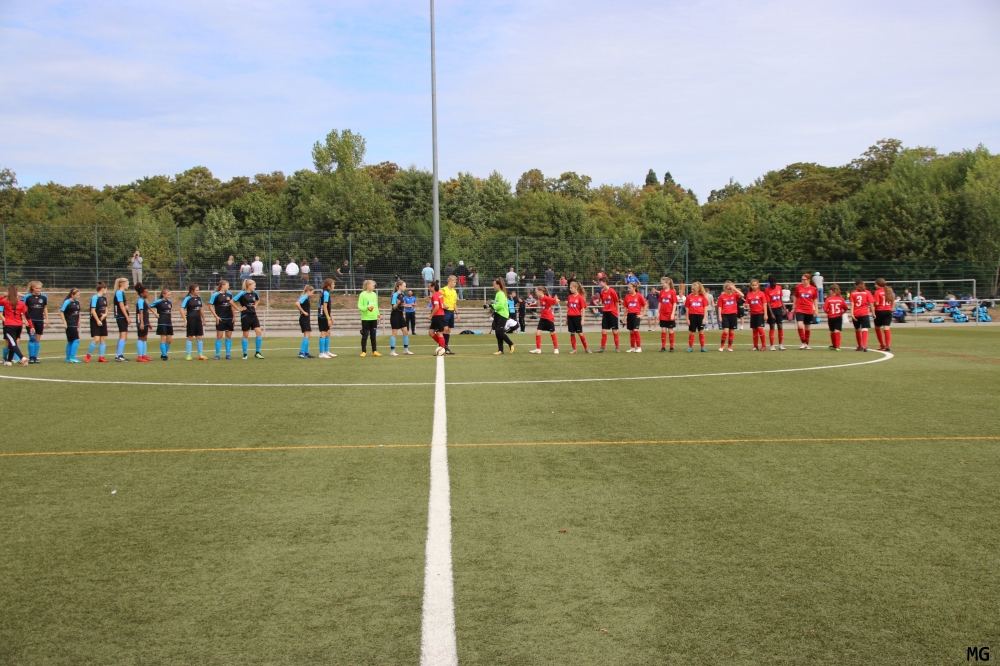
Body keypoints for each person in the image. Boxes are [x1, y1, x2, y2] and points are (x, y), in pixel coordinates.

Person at [233, 279, 264, 360]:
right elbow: (231, 301)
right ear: (248, 285)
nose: (255, 287)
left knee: (259, 332)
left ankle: (257, 352)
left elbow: (258, 299)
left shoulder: (255, 293)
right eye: (254, 285)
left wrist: (255, 306)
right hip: (245, 316)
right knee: (246, 335)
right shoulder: (242, 293)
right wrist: (239, 309)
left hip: (253, 315)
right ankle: (245, 354)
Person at [0, 285, 30, 367]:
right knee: (10, 342)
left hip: (12, 324)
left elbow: (27, 298)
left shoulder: (13, 301)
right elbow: (0, 313)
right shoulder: (8, 302)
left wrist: (4, 295)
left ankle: (19, 358)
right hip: (13, 324)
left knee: (13, 342)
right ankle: (7, 359)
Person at [180, 284, 209, 361]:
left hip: (198, 319)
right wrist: (185, 320)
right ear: (192, 291)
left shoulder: (199, 298)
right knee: (190, 337)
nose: (198, 291)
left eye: (198, 290)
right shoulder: (187, 298)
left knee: (199, 337)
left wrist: (204, 319)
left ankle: (200, 355)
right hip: (191, 319)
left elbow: (201, 309)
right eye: (197, 290)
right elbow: (181, 309)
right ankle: (188, 355)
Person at [23, 281, 48, 364]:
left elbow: (45, 308)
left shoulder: (44, 296)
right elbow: (24, 309)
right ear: (33, 288)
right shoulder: (28, 297)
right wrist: (25, 319)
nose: (38, 290)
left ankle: (35, 357)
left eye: (40, 288)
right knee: (32, 338)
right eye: (37, 288)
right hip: (31, 321)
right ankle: (31, 357)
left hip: (40, 320)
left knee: (37, 339)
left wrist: (47, 318)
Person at [208, 280, 234, 360]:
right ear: (223, 285)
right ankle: (217, 354)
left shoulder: (230, 294)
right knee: (219, 336)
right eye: (227, 285)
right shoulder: (216, 294)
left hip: (229, 318)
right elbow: (210, 306)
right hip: (220, 318)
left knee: (228, 336)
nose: (228, 287)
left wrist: (234, 316)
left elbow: (232, 306)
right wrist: (216, 316)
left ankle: (228, 354)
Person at [792, 273, 819, 349]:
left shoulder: (813, 289)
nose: (803, 281)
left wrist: (816, 309)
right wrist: (794, 307)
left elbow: (815, 299)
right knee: (800, 325)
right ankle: (803, 342)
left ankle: (806, 344)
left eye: (804, 279)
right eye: (802, 279)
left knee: (807, 328)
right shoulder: (798, 287)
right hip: (799, 309)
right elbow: (795, 297)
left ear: (809, 280)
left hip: (809, 309)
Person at [530, 286, 559, 354]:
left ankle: (556, 349)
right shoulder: (540, 298)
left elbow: (557, 300)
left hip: (549, 318)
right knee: (537, 332)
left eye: (536, 292)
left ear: (540, 291)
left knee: (552, 332)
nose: (536, 293)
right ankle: (538, 349)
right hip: (543, 318)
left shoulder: (547, 298)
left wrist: (551, 306)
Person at [595, 276, 621, 353]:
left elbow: (616, 302)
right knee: (603, 330)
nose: (600, 284)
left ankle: (617, 347)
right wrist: (600, 304)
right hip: (605, 312)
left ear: (605, 282)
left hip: (612, 313)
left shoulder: (612, 291)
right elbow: (603, 302)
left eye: (601, 282)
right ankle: (602, 348)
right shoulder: (602, 292)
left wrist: (616, 312)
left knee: (614, 330)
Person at [489, 278, 515, 355]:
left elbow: (500, 305)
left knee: (499, 331)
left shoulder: (501, 294)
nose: (493, 286)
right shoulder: (498, 293)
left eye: (494, 285)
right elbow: (497, 303)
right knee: (497, 332)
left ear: (498, 285)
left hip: (502, 314)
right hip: (498, 314)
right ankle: (500, 350)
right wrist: (490, 305)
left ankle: (511, 344)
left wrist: (492, 306)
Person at [86, 281, 109, 363]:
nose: (106, 291)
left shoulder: (104, 298)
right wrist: (98, 320)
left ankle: (101, 357)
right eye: (106, 289)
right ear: (102, 289)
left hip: (103, 320)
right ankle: (88, 356)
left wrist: (105, 314)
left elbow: (106, 308)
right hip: (95, 320)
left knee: (103, 339)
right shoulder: (95, 297)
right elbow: (92, 310)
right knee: (96, 339)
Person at [716, 281, 743, 352]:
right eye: (728, 289)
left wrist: (735, 288)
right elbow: (720, 307)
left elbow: (742, 295)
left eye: (730, 289)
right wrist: (720, 316)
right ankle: (722, 346)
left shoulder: (734, 295)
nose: (729, 290)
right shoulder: (722, 296)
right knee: (725, 331)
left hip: (733, 315)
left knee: (731, 331)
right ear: (725, 289)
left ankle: (730, 346)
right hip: (725, 315)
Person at [389, 280, 413, 356]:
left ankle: (406, 350)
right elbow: (394, 307)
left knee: (406, 332)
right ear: (399, 286)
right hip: (395, 315)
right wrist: (398, 303)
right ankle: (392, 351)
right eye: (404, 286)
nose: (405, 287)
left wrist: (407, 305)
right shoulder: (395, 295)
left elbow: (402, 305)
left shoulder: (402, 294)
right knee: (394, 333)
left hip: (401, 315)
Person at [849, 279, 874, 352]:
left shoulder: (853, 293)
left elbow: (852, 304)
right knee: (865, 329)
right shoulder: (867, 292)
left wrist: (852, 314)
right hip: (864, 313)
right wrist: (873, 313)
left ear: (855, 285)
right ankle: (864, 345)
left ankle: (860, 346)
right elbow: (871, 304)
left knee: (857, 329)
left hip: (856, 313)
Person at [358, 279, 381, 357]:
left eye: (374, 285)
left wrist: (378, 315)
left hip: (373, 317)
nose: (373, 286)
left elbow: (376, 305)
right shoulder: (362, 294)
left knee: (373, 335)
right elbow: (360, 306)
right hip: (366, 318)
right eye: (372, 285)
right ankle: (364, 351)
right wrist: (366, 308)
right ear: (367, 285)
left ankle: (374, 351)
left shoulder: (374, 294)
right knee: (365, 335)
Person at [566, 280, 590, 353]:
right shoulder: (569, 297)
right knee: (572, 333)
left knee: (580, 333)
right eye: (570, 288)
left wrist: (582, 319)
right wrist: (567, 318)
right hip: (570, 317)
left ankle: (586, 348)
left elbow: (583, 309)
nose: (570, 289)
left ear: (576, 288)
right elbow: (568, 308)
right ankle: (574, 349)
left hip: (577, 317)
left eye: (571, 288)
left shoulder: (580, 297)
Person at [685, 282, 710, 353]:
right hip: (692, 316)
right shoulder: (689, 297)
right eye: (692, 289)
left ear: (698, 289)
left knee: (701, 331)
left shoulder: (703, 297)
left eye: (694, 289)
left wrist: (704, 318)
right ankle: (690, 347)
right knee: (692, 332)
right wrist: (687, 318)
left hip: (700, 316)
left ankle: (702, 347)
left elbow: (705, 308)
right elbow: (687, 309)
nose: (692, 290)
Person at [150, 287, 174, 361]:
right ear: (163, 294)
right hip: (162, 322)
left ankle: (164, 354)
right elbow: (149, 306)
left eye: (170, 295)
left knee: (169, 340)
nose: (169, 296)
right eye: (168, 295)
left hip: (169, 322)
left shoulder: (170, 302)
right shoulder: (159, 301)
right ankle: (164, 356)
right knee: (163, 338)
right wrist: (155, 313)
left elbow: (170, 311)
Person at [59, 288, 83, 362]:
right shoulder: (67, 302)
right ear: (72, 295)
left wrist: (79, 321)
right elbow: (61, 312)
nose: (78, 296)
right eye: (77, 295)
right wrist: (64, 322)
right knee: (76, 340)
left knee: (71, 341)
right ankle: (72, 357)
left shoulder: (77, 302)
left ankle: (68, 358)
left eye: (79, 295)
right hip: (70, 323)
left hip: (74, 323)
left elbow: (78, 312)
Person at [623, 282, 647, 352]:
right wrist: (625, 318)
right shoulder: (627, 296)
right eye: (628, 288)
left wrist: (642, 314)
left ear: (634, 288)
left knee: (636, 330)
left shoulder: (639, 296)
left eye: (630, 288)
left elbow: (645, 305)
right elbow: (625, 307)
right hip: (629, 315)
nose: (628, 289)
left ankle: (639, 347)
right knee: (631, 332)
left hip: (636, 315)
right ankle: (632, 348)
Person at [744, 279, 768, 351]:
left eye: (755, 285)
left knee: (760, 329)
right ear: (751, 286)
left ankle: (763, 345)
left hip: (760, 313)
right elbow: (746, 304)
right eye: (753, 285)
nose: (754, 286)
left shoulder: (761, 293)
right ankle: (755, 346)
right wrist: (746, 305)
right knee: (754, 331)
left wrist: (765, 314)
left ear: (758, 285)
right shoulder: (749, 294)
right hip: (753, 314)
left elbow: (764, 304)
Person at [873, 278, 895, 352]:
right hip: (888, 311)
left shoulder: (877, 292)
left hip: (879, 311)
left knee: (877, 328)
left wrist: (872, 305)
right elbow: (893, 301)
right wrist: (891, 309)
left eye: (876, 284)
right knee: (886, 328)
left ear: (878, 284)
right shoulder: (888, 290)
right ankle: (887, 346)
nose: (875, 285)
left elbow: (876, 303)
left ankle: (882, 344)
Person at [764, 274, 786, 351]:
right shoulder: (767, 290)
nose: (773, 285)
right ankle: (772, 345)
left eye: (775, 283)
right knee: (772, 327)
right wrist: (771, 314)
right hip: (772, 309)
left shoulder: (779, 287)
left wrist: (784, 307)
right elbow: (768, 303)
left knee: (780, 326)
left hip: (779, 309)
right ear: (770, 283)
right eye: (772, 283)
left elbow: (780, 298)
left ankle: (780, 345)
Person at [658, 277, 679, 352]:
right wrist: (658, 312)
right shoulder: (661, 292)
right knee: (663, 330)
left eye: (663, 283)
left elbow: (674, 303)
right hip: (662, 314)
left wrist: (673, 313)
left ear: (667, 283)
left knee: (670, 330)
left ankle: (671, 347)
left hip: (670, 314)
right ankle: (663, 347)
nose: (662, 284)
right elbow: (660, 302)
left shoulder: (672, 292)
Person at [111, 277, 130, 362]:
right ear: (122, 284)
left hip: (121, 316)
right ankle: (119, 355)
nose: (128, 285)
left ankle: (118, 355)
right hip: (121, 316)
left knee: (123, 336)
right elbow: (121, 306)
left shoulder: (121, 293)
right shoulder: (119, 292)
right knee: (123, 336)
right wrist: (127, 317)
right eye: (127, 283)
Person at [823, 284, 847, 351]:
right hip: (838, 316)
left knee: (832, 331)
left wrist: (828, 313)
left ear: (831, 291)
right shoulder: (841, 299)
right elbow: (845, 308)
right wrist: (841, 313)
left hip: (831, 317)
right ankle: (837, 346)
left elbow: (825, 309)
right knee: (837, 330)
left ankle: (834, 345)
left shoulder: (828, 299)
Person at [440, 275, 460, 354]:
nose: (455, 284)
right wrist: (444, 305)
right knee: (444, 329)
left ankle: (446, 346)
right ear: (450, 281)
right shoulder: (443, 290)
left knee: (448, 330)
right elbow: (439, 300)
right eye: (454, 282)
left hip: (451, 312)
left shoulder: (454, 291)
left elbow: (454, 303)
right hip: (445, 311)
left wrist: (457, 313)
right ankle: (441, 346)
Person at [427, 280, 447, 356]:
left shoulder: (435, 295)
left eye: (429, 287)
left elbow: (437, 307)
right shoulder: (439, 294)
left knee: (439, 333)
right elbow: (440, 303)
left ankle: (442, 349)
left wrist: (431, 315)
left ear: (433, 287)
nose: (428, 288)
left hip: (438, 316)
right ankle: (442, 346)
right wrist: (432, 298)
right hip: (439, 316)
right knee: (431, 333)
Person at [295, 285, 315, 359]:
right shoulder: (304, 297)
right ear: (308, 291)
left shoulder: (306, 297)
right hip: (304, 318)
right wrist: (303, 312)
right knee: (307, 335)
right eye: (312, 292)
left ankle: (306, 353)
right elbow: (297, 303)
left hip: (306, 318)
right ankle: (301, 353)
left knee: (308, 335)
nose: (312, 294)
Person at [133, 284, 152, 362]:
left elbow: (146, 312)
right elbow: (140, 312)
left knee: (144, 338)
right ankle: (140, 357)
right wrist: (141, 323)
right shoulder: (140, 300)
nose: (147, 294)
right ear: (141, 294)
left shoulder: (143, 300)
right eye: (146, 293)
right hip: (141, 322)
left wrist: (148, 322)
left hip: (145, 322)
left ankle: (144, 355)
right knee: (141, 338)